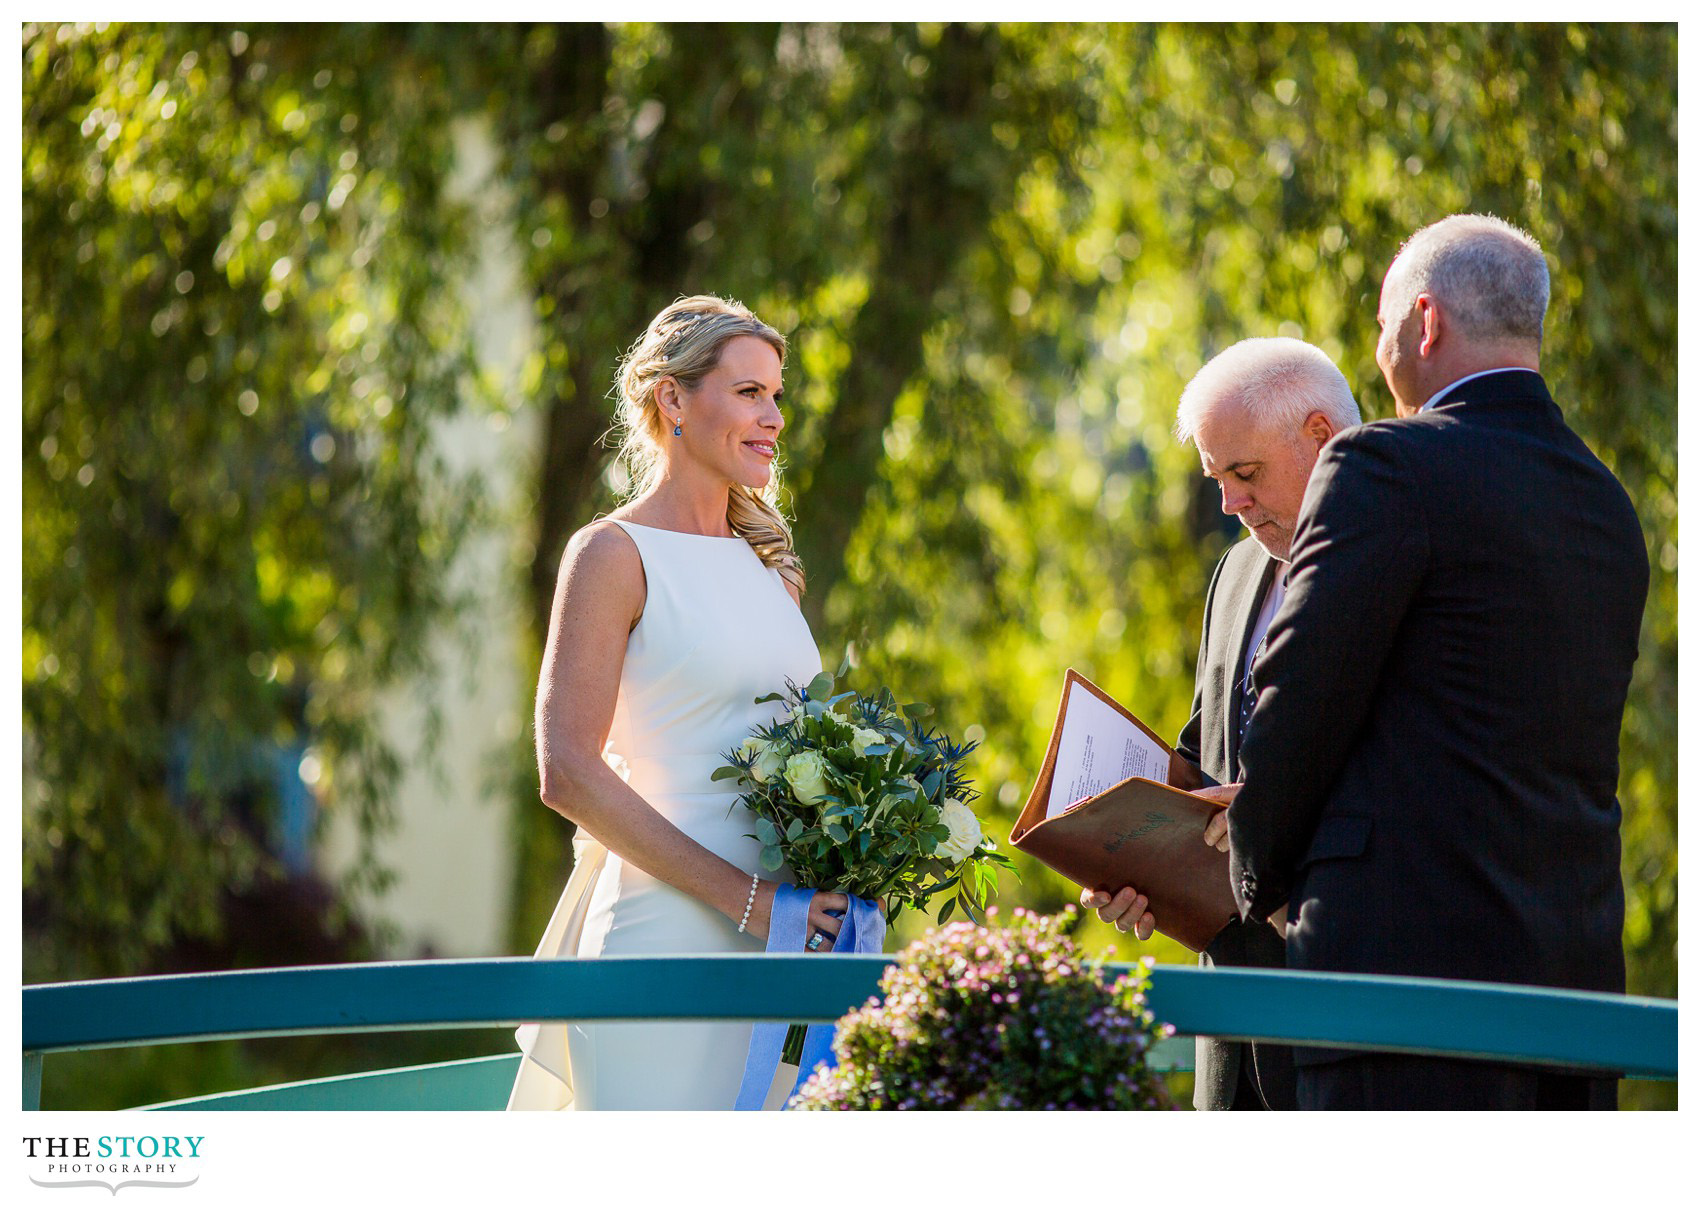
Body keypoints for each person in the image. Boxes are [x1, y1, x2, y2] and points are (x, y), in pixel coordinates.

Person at [1226, 215, 1649, 1109]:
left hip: (1402, 998)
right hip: (1570, 1002)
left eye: (1382, 327)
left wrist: (1255, 878)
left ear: (1424, 323)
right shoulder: (1607, 506)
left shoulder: (1386, 466)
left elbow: (1297, 694)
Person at [507, 295, 847, 1111]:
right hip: (662, 938)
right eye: (748, 393)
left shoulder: (775, 570)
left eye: (776, 396)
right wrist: (751, 904)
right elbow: (569, 773)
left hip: (779, 952)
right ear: (673, 399)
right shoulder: (610, 555)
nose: (773, 417)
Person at [1081, 337, 1359, 1111]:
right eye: (1218, 479)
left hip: (1341, 1010)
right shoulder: (1236, 569)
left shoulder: (1397, 564)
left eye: (1246, 473)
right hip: (1229, 1022)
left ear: (1321, 436)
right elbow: (1209, 758)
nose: (1231, 504)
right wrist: (1132, 860)